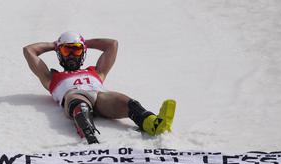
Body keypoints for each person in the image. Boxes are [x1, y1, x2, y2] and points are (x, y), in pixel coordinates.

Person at [23, 31, 175, 144]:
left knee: (126, 101)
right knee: (78, 102)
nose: (71, 55)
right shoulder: (51, 78)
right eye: (65, 50)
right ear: (59, 53)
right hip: (75, 98)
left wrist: (84, 42)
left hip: (101, 98)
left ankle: (153, 124)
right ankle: (89, 137)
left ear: (82, 52)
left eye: (75, 50)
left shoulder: (97, 71)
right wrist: (55, 45)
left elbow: (112, 44)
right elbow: (29, 50)